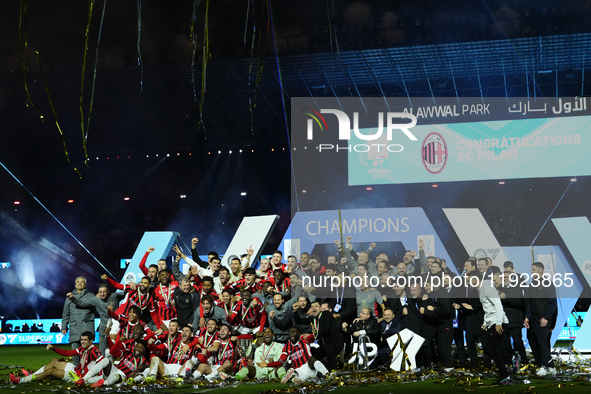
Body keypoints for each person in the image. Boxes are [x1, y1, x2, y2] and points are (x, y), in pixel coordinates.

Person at [10, 331, 103, 384]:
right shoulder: (83, 348)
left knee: (51, 371)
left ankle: (21, 380)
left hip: (78, 376)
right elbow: (67, 353)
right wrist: (53, 348)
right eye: (81, 339)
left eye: (85, 340)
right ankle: (33, 374)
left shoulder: (94, 351)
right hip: (76, 369)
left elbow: (104, 363)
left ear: (91, 340)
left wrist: (100, 379)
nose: (82, 342)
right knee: (55, 361)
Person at [67, 282, 122, 355]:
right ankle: (102, 364)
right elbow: (81, 303)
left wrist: (136, 284)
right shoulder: (95, 300)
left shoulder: (115, 296)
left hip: (117, 326)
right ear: (98, 292)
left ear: (108, 292)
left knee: (119, 346)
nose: (102, 294)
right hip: (104, 326)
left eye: (104, 292)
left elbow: (129, 292)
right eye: (100, 292)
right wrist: (72, 298)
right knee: (102, 348)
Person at [265, 327, 335, 384]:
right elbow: (280, 361)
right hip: (299, 370)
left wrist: (314, 333)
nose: (291, 333)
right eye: (290, 332)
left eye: (293, 332)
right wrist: (267, 364)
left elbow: (311, 338)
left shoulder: (304, 340)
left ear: (299, 334)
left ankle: (327, 375)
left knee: (311, 359)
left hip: (309, 367)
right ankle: (297, 380)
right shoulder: (286, 346)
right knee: (293, 371)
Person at [479, 267, 511, 384]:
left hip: (498, 323)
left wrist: (498, 323)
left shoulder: (488, 287)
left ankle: (505, 376)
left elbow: (498, 305)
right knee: (490, 349)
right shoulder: (483, 288)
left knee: (493, 349)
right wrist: (484, 325)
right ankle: (510, 359)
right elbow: (488, 309)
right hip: (491, 323)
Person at [525, 262, 557, 376]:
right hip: (533, 319)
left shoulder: (548, 284)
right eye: (531, 269)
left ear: (540, 271)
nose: (531, 272)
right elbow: (529, 303)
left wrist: (547, 318)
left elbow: (553, 303)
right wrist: (527, 317)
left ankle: (544, 366)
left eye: (533, 270)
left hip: (543, 319)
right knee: (532, 342)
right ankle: (550, 365)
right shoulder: (531, 285)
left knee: (543, 343)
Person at [62, 276, 96, 365]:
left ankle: (88, 374)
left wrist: (73, 299)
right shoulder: (68, 299)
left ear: (85, 284)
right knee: (75, 355)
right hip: (74, 328)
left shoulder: (91, 296)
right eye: (78, 282)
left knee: (88, 355)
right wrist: (64, 326)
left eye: (82, 282)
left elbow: (84, 304)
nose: (79, 283)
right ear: (75, 284)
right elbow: (66, 314)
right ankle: (76, 373)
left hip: (87, 328)